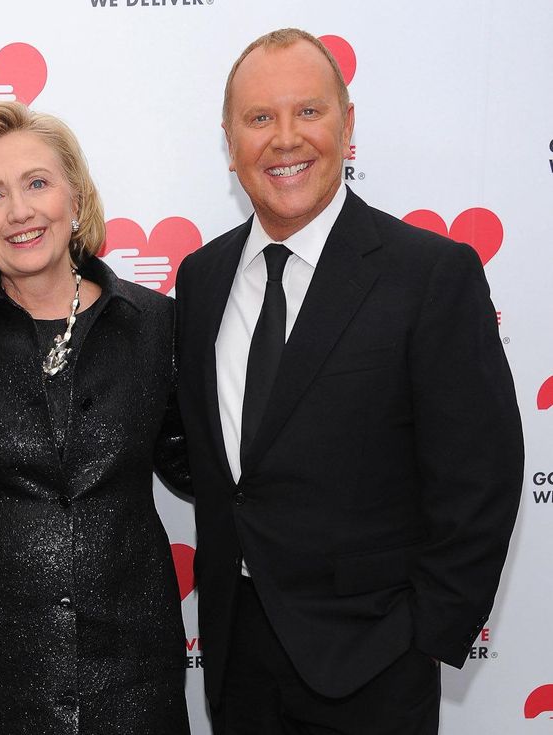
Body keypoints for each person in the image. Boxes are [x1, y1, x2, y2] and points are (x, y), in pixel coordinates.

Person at [174, 28, 523, 735]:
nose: (285, 138)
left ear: (347, 125)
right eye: (260, 118)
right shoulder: (202, 278)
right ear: (230, 142)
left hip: (375, 662)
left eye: (308, 111)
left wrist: (423, 634)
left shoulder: (429, 275)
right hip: (238, 659)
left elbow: (481, 473)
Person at [0, 101, 190, 734]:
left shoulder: (155, 325)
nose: (20, 211)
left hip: (132, 673)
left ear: (76, 197)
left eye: (37, 183)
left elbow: (202, 467)